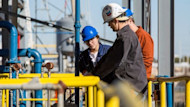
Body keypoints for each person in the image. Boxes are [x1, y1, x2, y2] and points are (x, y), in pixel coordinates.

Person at [89, 3, 147, 95]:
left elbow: (113, 62)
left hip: (131, 88)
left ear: (116, 21)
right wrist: (95, 72)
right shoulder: (124, 36)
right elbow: (109, 57)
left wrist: (95, 74)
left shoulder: (125, 38)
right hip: (133, 86)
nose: (108, 25)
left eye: (109, 22)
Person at [123, 8, 154, 78]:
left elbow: (147, 61)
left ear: (130, 21)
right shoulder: (127, 37)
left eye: (123, 22)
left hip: (139, 80)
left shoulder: (144, 37)